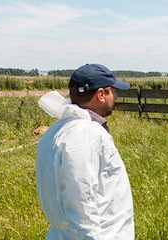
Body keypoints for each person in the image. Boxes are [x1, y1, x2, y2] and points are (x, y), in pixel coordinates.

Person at [35, 63, 135, 239]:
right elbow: (81, 203)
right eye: (112, 91)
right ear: (101, 94)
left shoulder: (56, 130)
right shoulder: (85, 134)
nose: (116, 96)